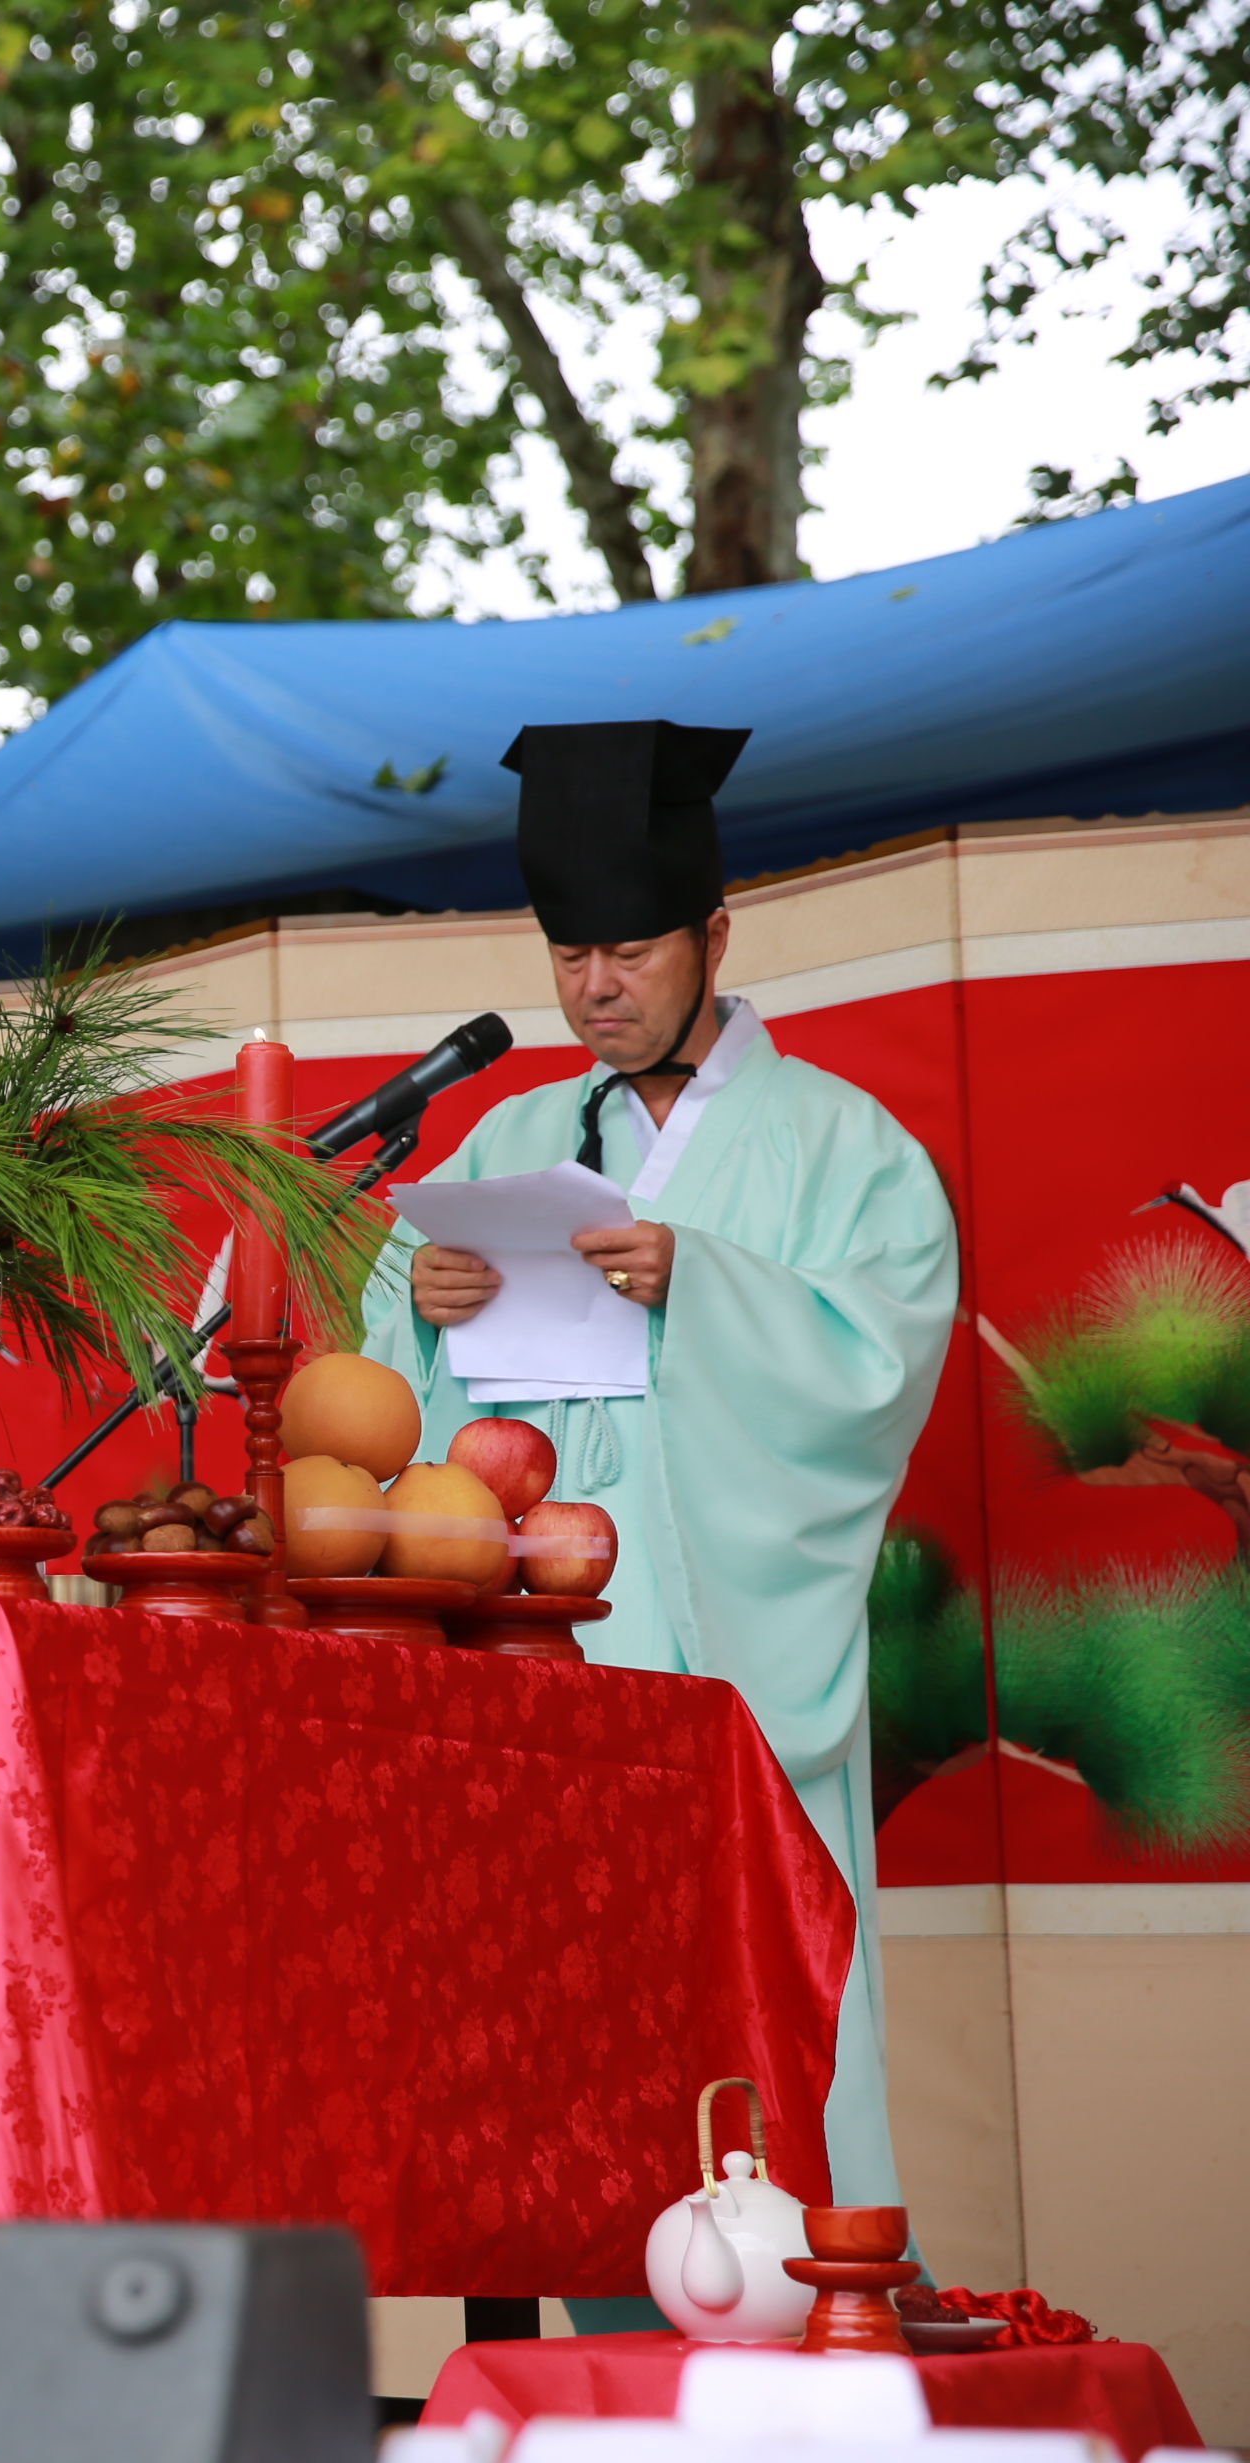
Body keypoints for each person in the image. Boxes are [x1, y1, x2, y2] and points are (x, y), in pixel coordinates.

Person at [359, 721, 957, 2247]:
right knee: (572, 2039)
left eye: (628, 949)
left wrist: (707, 1284)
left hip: (715, 1638)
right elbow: (392, 1407)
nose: (596, 987)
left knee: (750, 2012)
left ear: (714, 937)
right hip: (539, 1662)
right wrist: (421, 1309)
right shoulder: (506, 1136)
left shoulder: (847, 1151)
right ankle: (607, 2338)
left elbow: (876, 1363)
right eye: (570, 955)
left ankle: (808, 2317)